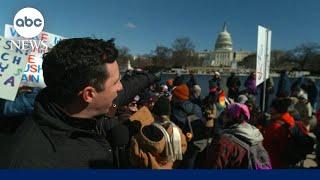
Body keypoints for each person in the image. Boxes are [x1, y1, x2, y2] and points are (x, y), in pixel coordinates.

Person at [0, 38, 123, 168]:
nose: (121, 87)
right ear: (89, 95)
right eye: (115, 82)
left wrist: (147, 77)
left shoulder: (63, 104)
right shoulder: (30, 164)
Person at [203, 103, 271, 169]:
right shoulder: (256, 137)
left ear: (229, 117)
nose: (222, 116)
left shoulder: (224, 141)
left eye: (224, 113)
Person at [263, 98, 295, 168]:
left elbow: (267, 143)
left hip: (273, 160)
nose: (269, 108)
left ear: (276, 109)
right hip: (285, 159)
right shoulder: (289, 119)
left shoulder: (275, 126)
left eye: (271, 106)